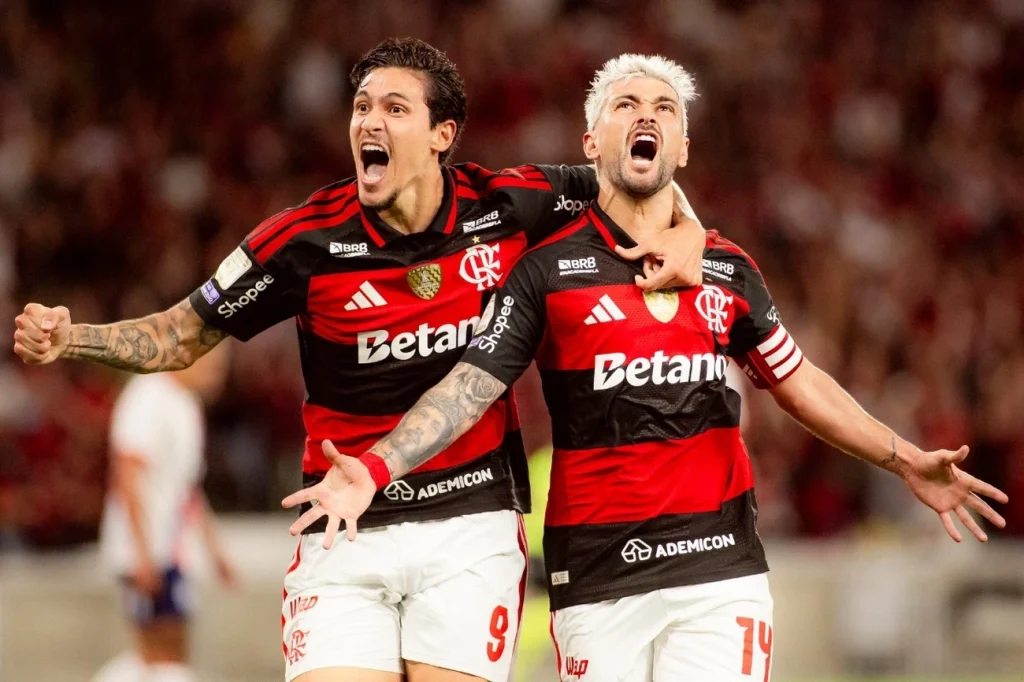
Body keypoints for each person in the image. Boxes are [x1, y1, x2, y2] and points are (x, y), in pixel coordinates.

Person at [284, 54, 1009, 682]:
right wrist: (379, 469)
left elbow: (800, 381)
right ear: (591, 140)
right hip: (599, 577)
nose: (647, 115)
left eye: (665, 108)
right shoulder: (544, 273)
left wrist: (905, 458)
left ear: (683, 147)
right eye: (625, 104)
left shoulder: (727, 269)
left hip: (719, 570)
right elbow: (472, 386)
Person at [12, 38, 707, 682]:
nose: (370, 122)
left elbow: (632, 178)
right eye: (362, 107)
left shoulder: (509, 206)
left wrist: (691, 231)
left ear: (443, 136)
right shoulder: (302, 242)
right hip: (344, 527)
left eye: (395, 108)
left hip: (469, 522)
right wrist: (71, 338)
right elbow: (180, 335)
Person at [91, 344, 236, 682]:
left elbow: (188, 489)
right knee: (160, 648)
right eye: (211, 366)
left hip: (172, 548)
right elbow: (127, 472)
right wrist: (141, 552)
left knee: (169, 645)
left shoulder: (185, 404)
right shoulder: (148, 395)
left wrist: (216, 552)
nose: (217, 376)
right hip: (147, 547)